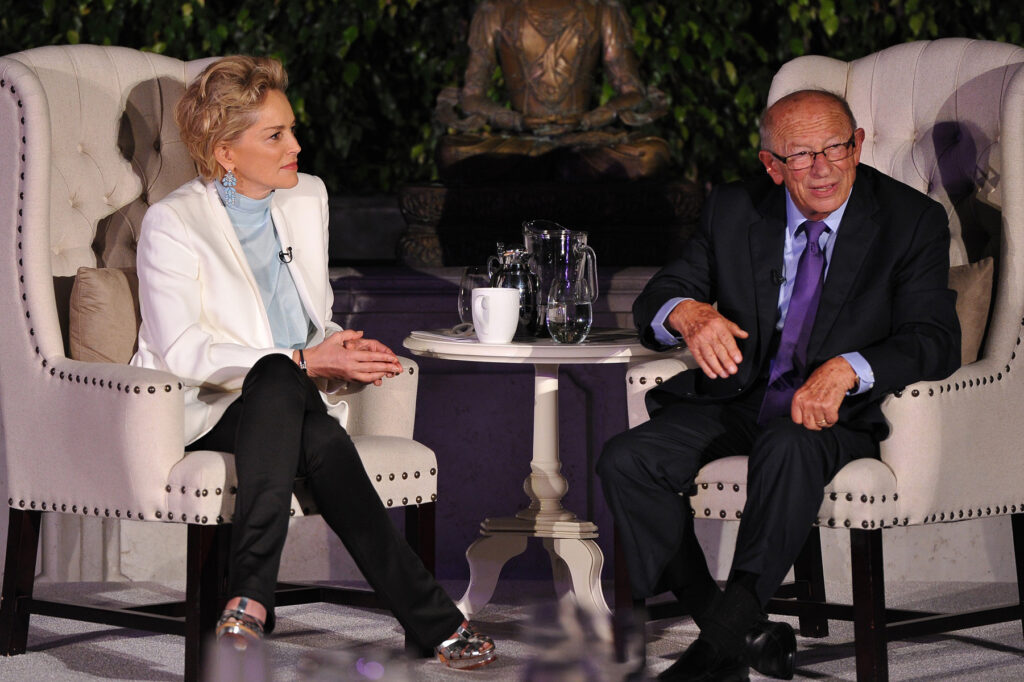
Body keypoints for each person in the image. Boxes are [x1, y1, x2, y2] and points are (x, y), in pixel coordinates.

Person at [130, 55, 496, 670]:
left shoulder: (307, 197)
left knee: (294, 394)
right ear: (225, 152)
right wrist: (301, 358)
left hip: (291, 394)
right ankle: (434, 621)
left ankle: (248, 600)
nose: (296, 146)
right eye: (275, 136)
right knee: (299, 406)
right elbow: (181, 350)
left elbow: (309, 315)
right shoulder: (173, 223)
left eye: (292, 128)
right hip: (208, 403)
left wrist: (337, 350)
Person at [597, 89, 960, 681]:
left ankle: (710, 659)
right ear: (771, 165)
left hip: (837, 411)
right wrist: (688, 313)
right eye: (800, 155)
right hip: (743, 395)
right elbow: (659, 297)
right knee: (627, 459)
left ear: (857, 145)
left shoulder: (910, 220)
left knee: (787, 445)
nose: (823, 168)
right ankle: (736, 634)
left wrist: (848, 368)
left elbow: (934, 338)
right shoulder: (735, 209)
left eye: (836, 148)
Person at [435, 0, 670, 182]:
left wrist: (593, 118)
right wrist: (517, 121)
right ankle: (553, 163)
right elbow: (472, 96)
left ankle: (552, 163)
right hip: (522, 140)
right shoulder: (496, 9)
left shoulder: (601, 9)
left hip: (580, 139)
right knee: (451, 152)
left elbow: (633, 92)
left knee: (649, 155)